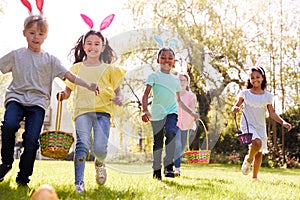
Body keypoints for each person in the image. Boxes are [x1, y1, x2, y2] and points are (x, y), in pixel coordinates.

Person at [0, 15, 99, 187]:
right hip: (16, 98)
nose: (36, 37)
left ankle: (23, 176)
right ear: (24, 33)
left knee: (31, 140)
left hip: (37, 103)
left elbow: (69, 76)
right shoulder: (16, 55)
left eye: (40, 34)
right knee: (8, 125)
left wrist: (88, 84)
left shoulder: (50, 60)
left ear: (45, 36)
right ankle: (6, 163)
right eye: (32, 33)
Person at [59, 29, 125, 193]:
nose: (93, 46)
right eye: (89, 43)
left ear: (103, 48)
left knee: (100, 148)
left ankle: (99, 163)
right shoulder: (76, 68)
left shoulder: (109, 69)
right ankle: (79, 183)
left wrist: (119, 98)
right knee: (82, 144)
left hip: (103, 111)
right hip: (82, 111)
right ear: (83, 46)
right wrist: (63, 95)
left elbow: (118, 90)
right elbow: (68, 90)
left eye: (97, 44)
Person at [141, 47, 199, 180]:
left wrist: (192, 113)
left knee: (172, 133)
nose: (166, 60)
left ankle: (169, 165)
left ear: (174, 61)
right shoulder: (153, 76)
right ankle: (156, 169)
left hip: (172, 112)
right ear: (158, 60)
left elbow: (179, 101)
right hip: (157, 113)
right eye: (163, 58)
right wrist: (145, 110)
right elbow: (145, 95)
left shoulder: (175, 80)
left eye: (169, 58)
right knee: (158, 142)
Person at [232, 56, 292, 181]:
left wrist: (283, 122)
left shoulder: (267, 96)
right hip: (248, 125)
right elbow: (236, 106)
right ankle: (248, 160)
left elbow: (272, 113)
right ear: (250, 79)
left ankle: (254, 177)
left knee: (259, 153)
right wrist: (235, 109)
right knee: (257, 143)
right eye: (252, 78)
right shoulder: (245, 93)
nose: (255, 80)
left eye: (257, 77)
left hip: (260, 126)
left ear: (263, 78)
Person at [174, 73, 197, 177]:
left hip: (186, 124)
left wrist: (194, 117)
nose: (181, 82)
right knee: (177, 144)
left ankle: (171, 163)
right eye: (179, 80)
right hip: (175, 122)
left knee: (182, 146)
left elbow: (192, 110)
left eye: (184, 80)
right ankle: (177, 168)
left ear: (187, 83)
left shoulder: (191, 96)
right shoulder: (173, 94)